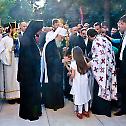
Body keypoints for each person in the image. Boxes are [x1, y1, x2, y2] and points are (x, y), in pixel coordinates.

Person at [87, 28, 117, 117]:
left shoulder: (96, 42)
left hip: (101, 70)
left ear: (89, 36)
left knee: (100, 87)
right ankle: (107, 108)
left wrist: (90, 63)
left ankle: (100, 110)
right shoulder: (105, 39)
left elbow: (98, 58)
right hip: (109, 68)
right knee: (106, 86)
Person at [17, 20, 43, 121]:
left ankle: (35, 111)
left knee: (34, 95)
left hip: (31, 74)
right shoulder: (27, 40)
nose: (40, 31)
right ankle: (31, 114)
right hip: (29, 74)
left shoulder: (29, 38)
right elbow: (28, 59)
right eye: (39, 29)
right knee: (31, 95)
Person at [41, 27, 67, 111]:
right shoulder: (50, 45)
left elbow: (58, 55)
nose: (62, 39)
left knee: (57, 87)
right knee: (52, 88)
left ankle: (58, 103)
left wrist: (63, 55)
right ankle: (52, 104)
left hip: (57, 71)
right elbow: (50, 60)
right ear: (58, 35)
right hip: (51, 72)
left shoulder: (57, 43)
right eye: (62, 37)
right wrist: (62, 60)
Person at [65, 46, 91, 119]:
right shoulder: (84, 60)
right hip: (84, 82)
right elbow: (86, 69)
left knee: (79, 97)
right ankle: (86, 111)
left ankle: (80, 113)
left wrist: (70, 77)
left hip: (77, 83)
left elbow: (73, 74)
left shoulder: (73, 63)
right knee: (85, 96)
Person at [0, 23, 20, 104]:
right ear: (11, 29)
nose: (16, 31)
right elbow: (1, 51)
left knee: (17, 78)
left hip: (17, 61)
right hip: (9, 63)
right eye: (15, 29)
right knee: (10, 79)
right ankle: (10, 97)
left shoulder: (17, 39)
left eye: (17, 29)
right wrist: (9, 51)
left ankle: (18, 95)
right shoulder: (4, 39)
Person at [114, 14, 126, 116]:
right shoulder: (124, 36)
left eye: (121, 24)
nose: (119, 26)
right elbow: (121, 52)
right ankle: (123, 108)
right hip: (122, 66)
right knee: (122, 88)